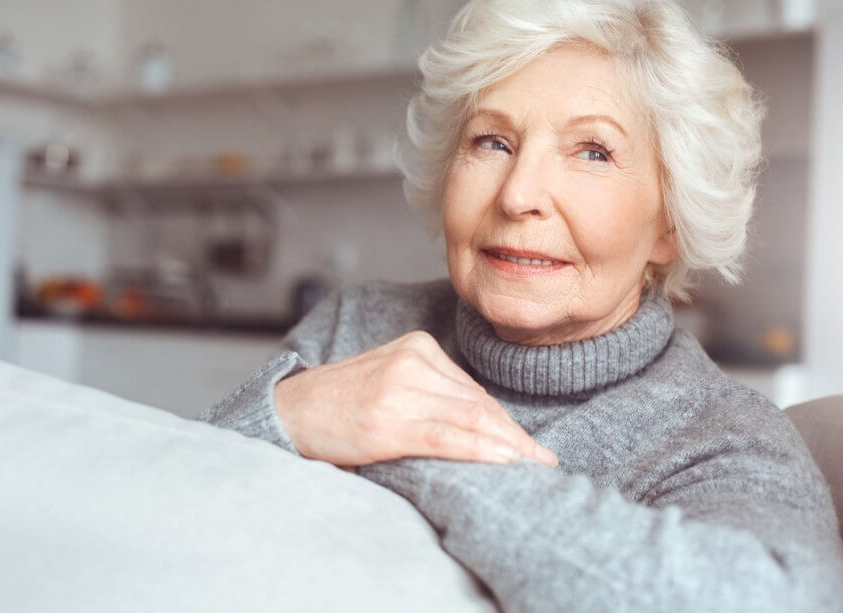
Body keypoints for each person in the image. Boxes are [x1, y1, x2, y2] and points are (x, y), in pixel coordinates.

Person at [198, 0, 843, 610]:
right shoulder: (356, 326)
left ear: (669, 223)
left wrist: (424, 454)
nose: (518, 195)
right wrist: (284, 411)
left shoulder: (718, 437)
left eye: (592, 151)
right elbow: (170, 506)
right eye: (492, 142)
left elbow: (783, 600)